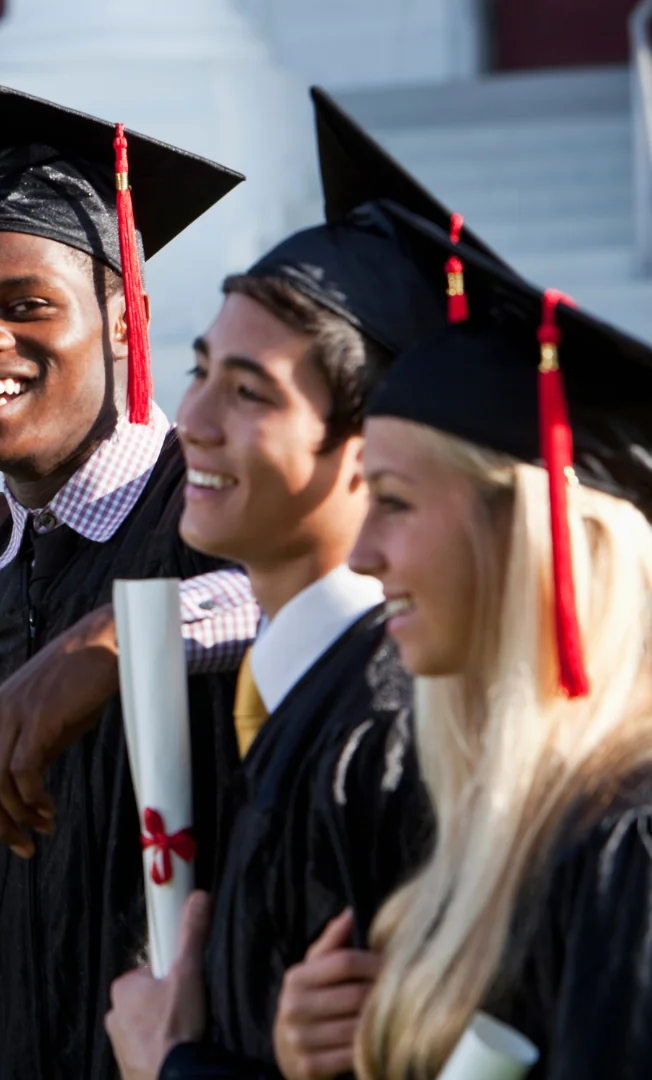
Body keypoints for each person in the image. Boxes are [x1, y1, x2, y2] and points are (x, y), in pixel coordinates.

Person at [0, 81, 260, 1079]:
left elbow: (336, 595)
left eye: (26, 307)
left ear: (126, 317)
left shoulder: (212, 519)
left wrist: (128, 640)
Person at [102, 88, 490, 1080]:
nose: (189, 418)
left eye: (248, 392)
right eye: (199, 370)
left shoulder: (394, 725)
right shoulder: (284, 693)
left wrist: (170, 1061)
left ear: (374, 450)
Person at [344, 203, 652, 1080]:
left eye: (395, 502)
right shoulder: (508, 822)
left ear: (528, 535)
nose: (362, 554)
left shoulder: (631, 848)